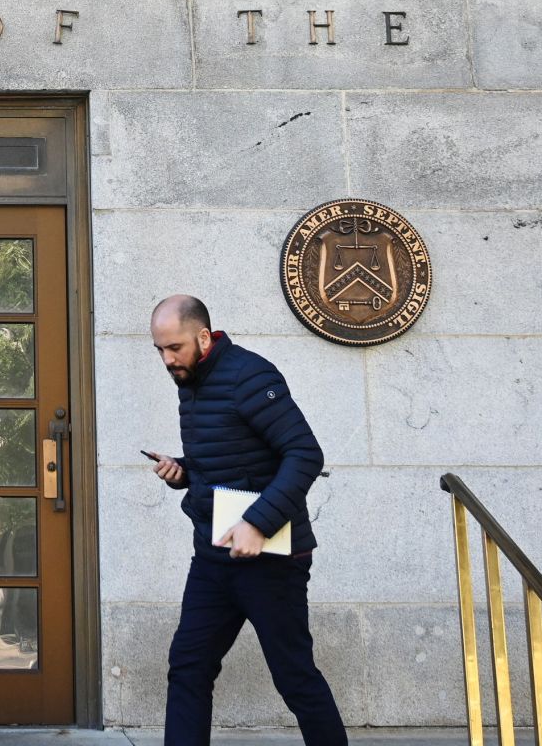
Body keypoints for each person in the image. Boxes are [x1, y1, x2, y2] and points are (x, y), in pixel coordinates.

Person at [145, 294, 343, 746]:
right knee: (189, 667)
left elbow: (304, 453)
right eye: (159, 349)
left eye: (174, 347)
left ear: (202, 336)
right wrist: (183, 471)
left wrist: (258, 522)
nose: (167, 359)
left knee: (294, 677)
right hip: (214, 554)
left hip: (271, 557)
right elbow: (232, 461)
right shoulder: (192, 381)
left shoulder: (250, 375)